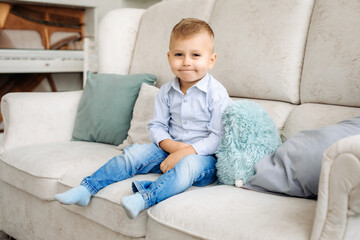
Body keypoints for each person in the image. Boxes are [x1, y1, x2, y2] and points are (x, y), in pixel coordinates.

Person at [54, 18, 232, 219]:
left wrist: (186, 154)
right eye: (179, 54)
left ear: (211, 60)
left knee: (187, 167)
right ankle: (87, 188)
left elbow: (218, 137)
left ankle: (145, 197)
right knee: (134, 153)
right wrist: (173, 149)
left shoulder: (216, 93)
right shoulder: (166, 91)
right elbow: (156, 126)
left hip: (203, 159)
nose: (186, 62)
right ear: (169, 57)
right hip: (168, 150)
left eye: (196, 55)